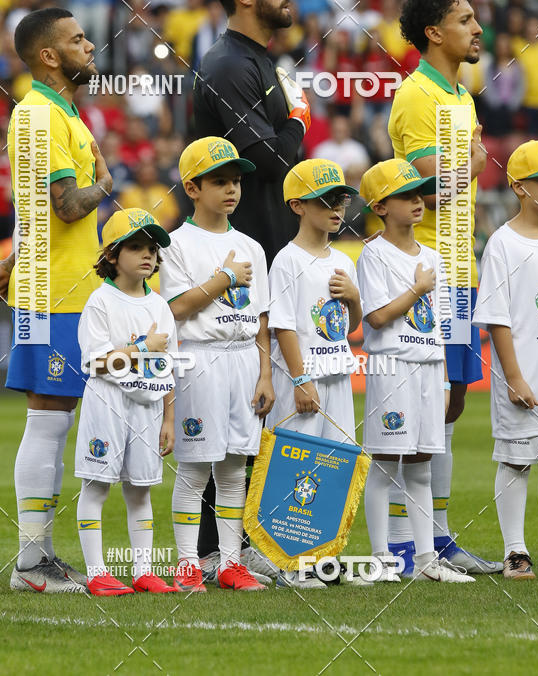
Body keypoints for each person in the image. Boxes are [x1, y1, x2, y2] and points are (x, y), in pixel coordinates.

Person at [0, 8, 112, 592]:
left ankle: (40, 558)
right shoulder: (38, 113)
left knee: (56, 416)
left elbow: (37, 210)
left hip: (64, 285)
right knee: (49, 416)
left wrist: (12, 261)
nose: (90, 45)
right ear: (50, 56)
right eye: (77, 39)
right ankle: (31, 563)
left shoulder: (63, 113)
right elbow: (68, 205)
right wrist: (106, 184)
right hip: (53, 293)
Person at [193, 0, 309, 570]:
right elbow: (271, 158)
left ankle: (242, 542)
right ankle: (212, 549)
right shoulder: (227, 65)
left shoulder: (262, 60)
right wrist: (298, 120)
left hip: (268, 246)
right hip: (242, 253)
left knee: (257, 410)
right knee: (235, 409)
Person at [387, 0, 502, 575]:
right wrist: (475, 160)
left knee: (452, 402)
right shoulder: (416, 95)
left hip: (460, 267)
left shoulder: (460, 95)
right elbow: (425, 189)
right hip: (426, 270)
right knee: (424, 405)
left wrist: (470, 162)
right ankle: (405, 544)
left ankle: (437, 538)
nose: (478, 29)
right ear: (434, 33)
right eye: (465, 19)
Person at [159, 136, 274, 592]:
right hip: (200, 358)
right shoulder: (175, 244)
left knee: (233, 469)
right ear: (192, 188)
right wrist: (224, 278)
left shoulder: (251, 246)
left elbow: (261, 318)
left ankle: (230, 563)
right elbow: (176, 308)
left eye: (236, 181)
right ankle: (188, 564)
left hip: (243, 359)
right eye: (219, 181)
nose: (231, 190)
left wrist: (266, 374)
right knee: (194, 468)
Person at [357, 159, 474, 584]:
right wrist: (418, 288)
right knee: (386, 465)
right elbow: (376, 316)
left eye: (418, 193)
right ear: (380, 207)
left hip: (427, 367)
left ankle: (426, 560)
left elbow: (438, 325)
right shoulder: (373, 254)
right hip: (394, 367)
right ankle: (382, 559)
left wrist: (443, 380)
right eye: (405, 196)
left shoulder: (433, 256)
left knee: (422, 465)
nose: (417, 201)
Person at [266, 159, 362, 589]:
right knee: (297, 464)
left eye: (340, 200)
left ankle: (322, 556)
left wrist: (354, 297)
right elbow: (283, 325)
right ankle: (289, 561)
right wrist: (300, 379)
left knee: (335, 465)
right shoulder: (287, 260)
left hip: (337, 374)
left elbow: (350, 326)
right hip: (303, 379)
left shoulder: (342, 260)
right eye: (325, 200)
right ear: (297, 206)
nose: (336, 209)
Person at [75, 208, 177, 596]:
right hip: (108, 403)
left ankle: (143, 571)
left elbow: (169, 367)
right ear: (112, 255)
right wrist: (141, 348)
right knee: (96, 486)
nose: (147, 254)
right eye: (136, 247)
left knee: (140, 490)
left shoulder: (160, 306)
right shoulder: (100, 302)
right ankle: (97, 572)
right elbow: (95, 362)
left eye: (152, 248)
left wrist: (169, 418)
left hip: (147, 406)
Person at [474, 141, 538, 580]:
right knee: (517, 459)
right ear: (519, 187)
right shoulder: (503, 243)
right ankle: (515, 551)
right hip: (524, 373)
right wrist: (514, 377)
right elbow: (497, 317)